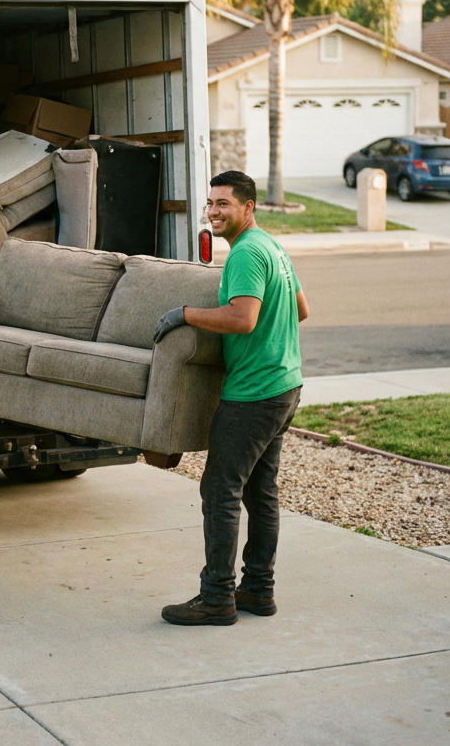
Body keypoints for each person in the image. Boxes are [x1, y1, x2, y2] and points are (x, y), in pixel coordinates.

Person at [154, 170, 309, 626]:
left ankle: (217, 596)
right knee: (260, 493)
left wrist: (185, 314)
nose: (214, 211)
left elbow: (242, 319)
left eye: (224, 203)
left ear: (248, 207)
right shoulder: (273, 247)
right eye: (210, 203)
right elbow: (301, 309)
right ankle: (258, 590)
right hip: (285, 384)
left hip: (254, 393)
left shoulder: (245, 253)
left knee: (220, 490)